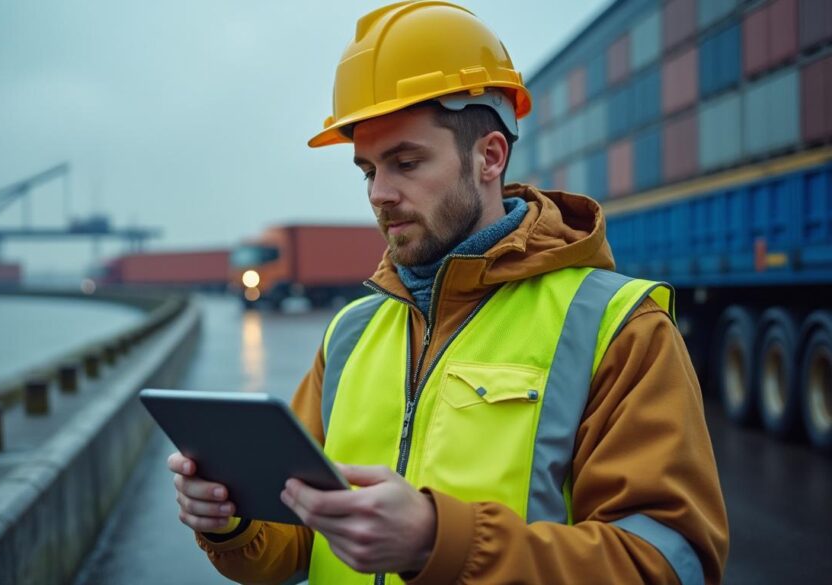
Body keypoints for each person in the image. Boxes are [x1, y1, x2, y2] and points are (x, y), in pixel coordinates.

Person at [168, 1, 729, 583]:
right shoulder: (351, 334)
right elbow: (297, 541)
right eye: (368, 170)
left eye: (406, 162)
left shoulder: (616, 326)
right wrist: (232, 522)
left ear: (489, 156)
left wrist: (442, 543)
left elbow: (668, 565)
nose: (379, 193)